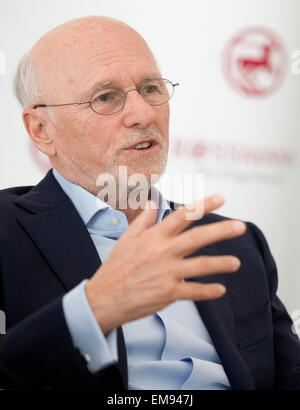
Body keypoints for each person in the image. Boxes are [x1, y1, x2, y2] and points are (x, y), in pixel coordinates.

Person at [0, 16, 299, 390]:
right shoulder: (6, 229)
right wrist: (93, 310)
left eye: (151, 88)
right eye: (105, 97)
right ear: (42, 131)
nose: (143, 114)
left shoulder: (238, 243)